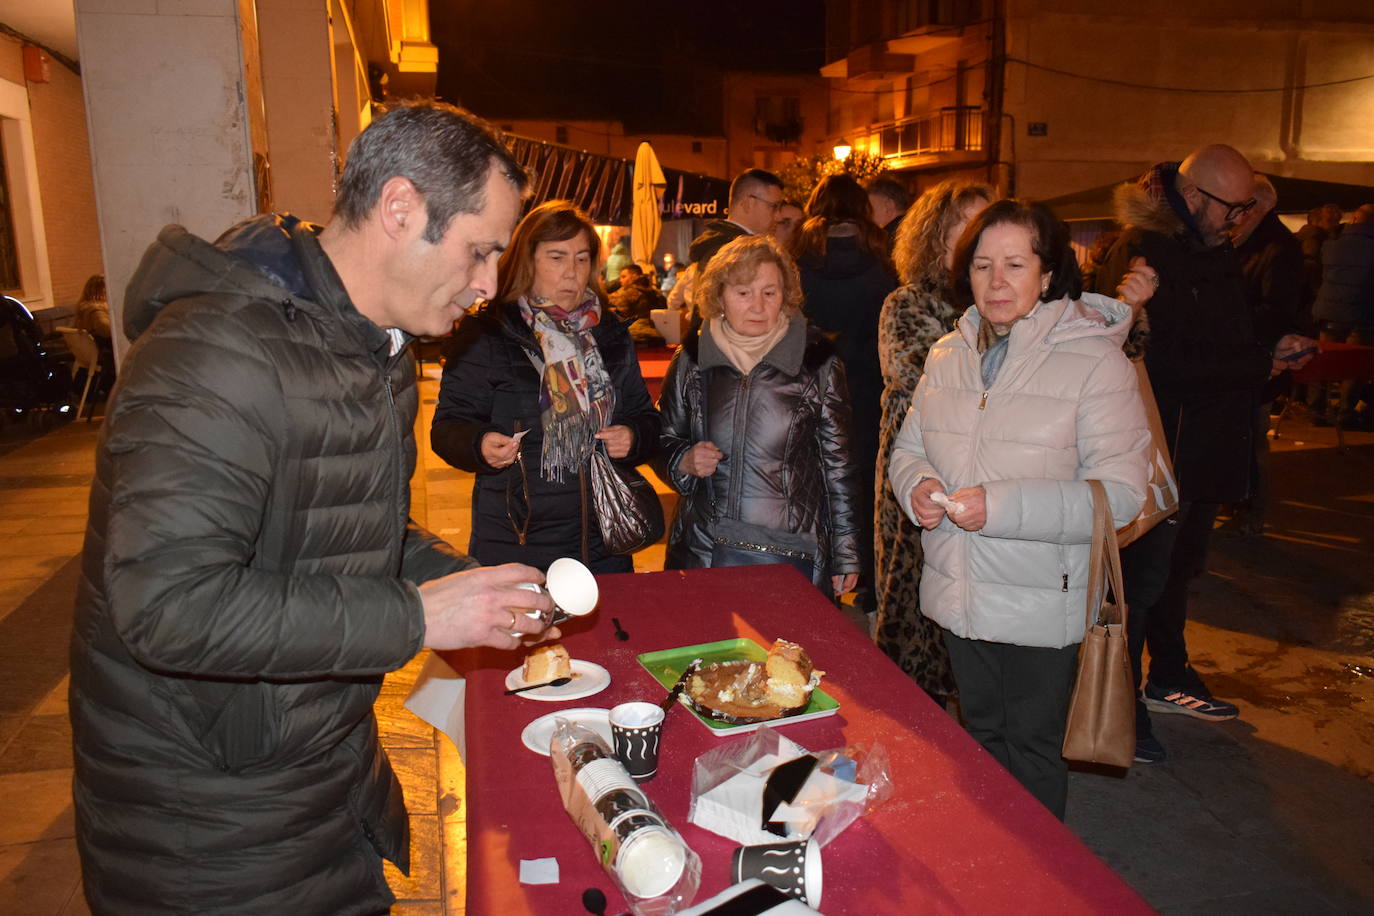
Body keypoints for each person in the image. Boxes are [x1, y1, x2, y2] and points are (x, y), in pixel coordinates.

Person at [69, 101, 559, 914]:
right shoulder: (216, 353)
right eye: (481, 251)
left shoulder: (374, 349)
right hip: (208, 822)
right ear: (401, 209)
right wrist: (415, 618)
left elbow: (343, 533)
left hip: (316, 779)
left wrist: (470, 585)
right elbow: (166, 604)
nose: (486, 284)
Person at [888, 199, 1151, 818]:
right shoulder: (950, 352)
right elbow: (910, 444)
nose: (996, 282)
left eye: (1014, 264)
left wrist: (1000, 508)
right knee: (978, 741)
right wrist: (919, 485)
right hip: (958, 587)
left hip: (1041, 597)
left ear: (1049, 273)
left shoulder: (1094, 360)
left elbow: (1121, 494)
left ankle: (1040, 883)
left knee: (1031, 750)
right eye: (982, 265)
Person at [1089, 144, 1314, 764]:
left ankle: (1169, 674)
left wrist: (1273, 346)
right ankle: (1120, 704)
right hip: (1161, 448)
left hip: (1204, 443)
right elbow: (1155, 363)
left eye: (1246, 208)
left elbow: (1222, 337)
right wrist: (1256, 361)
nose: (1238, 219)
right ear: (1192, 199)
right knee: (1139, 582)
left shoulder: (1209, 250)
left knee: (1179, 572)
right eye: (1231, 207)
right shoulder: (1147, 253)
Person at [432, 200, 661, 574]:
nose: (572, 272)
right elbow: (447, 427)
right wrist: (478, 445)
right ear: (528, 260)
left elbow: (646, 419)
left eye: (582, 259)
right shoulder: (488, 334)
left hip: (605, 543)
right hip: (517, 544)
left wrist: (634, 436)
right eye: (557, 258)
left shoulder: (611, 334)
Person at [656, 235, 861, 597]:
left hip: (789, 552)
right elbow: (661, 438)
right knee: (704, 649)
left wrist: (846, 553)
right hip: (703, 550)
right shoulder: (692, 361)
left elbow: (839, 466)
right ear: (719, 296)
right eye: (743, 292)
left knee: (786, 652)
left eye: (770, 293)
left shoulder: (816, 363)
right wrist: (682, 460)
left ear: (787, 295)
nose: (758, 306)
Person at [873, 179, 991, 705]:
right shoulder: (909, 302)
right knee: (917, 613)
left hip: (989, 478)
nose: (984, 235)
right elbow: (921, 380)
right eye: (971, 222)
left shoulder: (1005, 302)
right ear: (938, 235)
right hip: (921, 474)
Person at [793, 173, 898, 609]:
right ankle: (868, 583)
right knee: (865, 484)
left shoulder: (799, 255)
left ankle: (815, 583)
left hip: (810, 386)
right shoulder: (884, 257)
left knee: (813, 483)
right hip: (869, 389)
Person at [1228, 175, 1306, 532]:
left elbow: (1276, 311)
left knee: (1252, 440)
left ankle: (1251, 514)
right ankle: (1240, 505)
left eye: (1240, 203)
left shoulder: (1278, 247)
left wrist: (1226, 325)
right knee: (1240, 438)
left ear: (1258, 206)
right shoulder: (1246, 241)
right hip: (1245, 359)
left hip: (1259, 362)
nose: (1234, 211)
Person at [684, 168, 784, 329]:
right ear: (748, 203)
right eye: (774, 207)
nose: (778, 217)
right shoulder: (735, 252)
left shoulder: (720, 244)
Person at [1310, 203, 1374, 428]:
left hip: (1329, 312)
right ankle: (1345, 413)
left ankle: (1317, 409)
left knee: (1323, 361)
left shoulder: (1332, 244)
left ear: (1355, 219)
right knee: (1353, 366)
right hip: (1363, 314)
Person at [866, 176, 911, 251]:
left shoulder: (885, 240)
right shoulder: (917, 230)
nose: (867, 215)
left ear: (888, 205)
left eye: (870, 207)